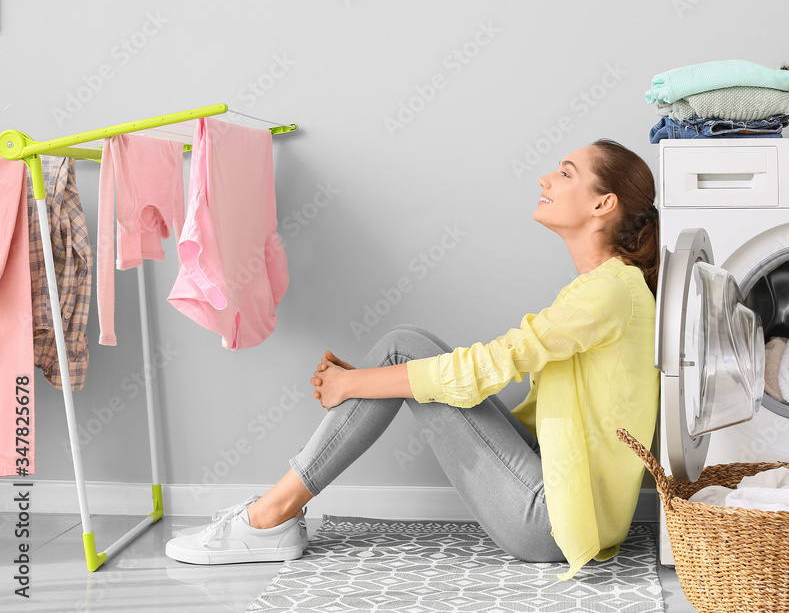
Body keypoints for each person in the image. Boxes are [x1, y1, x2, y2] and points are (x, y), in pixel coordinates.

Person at [165, 138, 661, 580]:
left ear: (604, 203)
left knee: (404, 348)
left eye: (566, 172)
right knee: (406, 348)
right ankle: (276, 510)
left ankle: (270, 515)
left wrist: (355, 386)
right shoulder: (612, 288)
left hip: (552, 523)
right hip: (567, 502)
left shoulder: (607, 293)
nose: (545, 177)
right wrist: (373, 381)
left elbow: (486, 367)